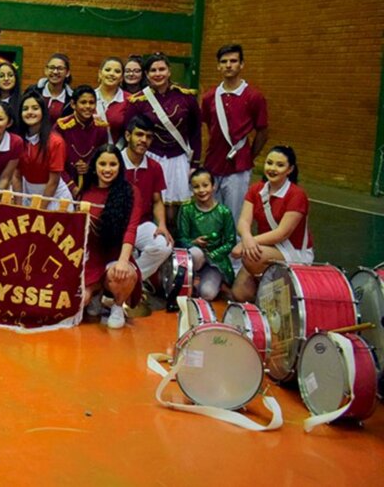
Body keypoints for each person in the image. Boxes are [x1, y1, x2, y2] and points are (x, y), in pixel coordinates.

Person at [125, 53, 201, 221]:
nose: (158, 73)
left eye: (162, 69)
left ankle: (175, 240)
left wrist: (195, 163)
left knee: (176, 209)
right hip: (151, 156)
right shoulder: (138, 101)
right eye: (153, 70)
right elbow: (129, 132)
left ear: (169, 71)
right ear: (146, 74)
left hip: (178, 157)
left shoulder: (186, 96)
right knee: (149, 201)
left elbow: (196, 132)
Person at [231, 146, 313, 301]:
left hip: (293, 251)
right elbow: (243, 221)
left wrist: (247, 244)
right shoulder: (256, 189)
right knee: (240, 294)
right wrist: (247, 238)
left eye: (280, 165)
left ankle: (271, 289)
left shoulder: (297, 195)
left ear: (290, 170)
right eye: (269, 163)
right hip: (266, 247)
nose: (272, 168)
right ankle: (266, 282)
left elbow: (281, 233)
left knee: (249, 257)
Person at [201, 44, 269, 220]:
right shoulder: (209, 97)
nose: (228, 65)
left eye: (233, 61)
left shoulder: (254, 97)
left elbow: (262, 131)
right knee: (211, 214)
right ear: (218, 66)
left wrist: (249, 156)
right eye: (224, 62)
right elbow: (208, 126)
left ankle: (235, 247)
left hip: (238, 168)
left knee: (234, 216)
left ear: (241, 64)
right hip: (213, 164)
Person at [78, 145, 143, 329]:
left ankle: (117, 306)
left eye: (113, 164)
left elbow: (131, 229)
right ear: (95, 166)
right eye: (103, 164)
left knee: (125, 275)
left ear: (120, 167)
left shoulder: (131, 192)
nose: (107, 169)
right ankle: (95, 291)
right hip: (91, 259)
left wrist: (123, 261)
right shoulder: (84, 191)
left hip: (115, 256)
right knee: (81, 302)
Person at [120, 116, 173, 282]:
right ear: (128, 136)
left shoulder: (155, 166)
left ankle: (130, 281)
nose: (144, 140)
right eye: (139, 135)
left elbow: (157, 200)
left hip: (141, 224)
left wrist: (162, 225)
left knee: (164, 246)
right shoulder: (113, 162)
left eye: (149, 137)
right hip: (115, 225)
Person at [176, 168, 236, 300]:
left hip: (215, 262)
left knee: (208, 294)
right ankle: (191, 280)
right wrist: (194, 242)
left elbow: (230, 241)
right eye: (196, 187)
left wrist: (213, 255)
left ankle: (212, 282)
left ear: (213, 186)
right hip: (195, 257)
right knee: (196, 254)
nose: (201, 190)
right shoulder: (187, 209)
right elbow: (180, 238)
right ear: (191, 189)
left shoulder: (223, 212)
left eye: (205, 185)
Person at [12, 91, 71, 208]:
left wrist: (38, 209)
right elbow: (16, 176)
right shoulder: (18, 140)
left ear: (43, 112)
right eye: (25, 109)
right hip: (27, 193)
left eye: (35, 108)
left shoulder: (56, 142)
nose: (30, 112)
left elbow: (53, 182)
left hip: (52, 197)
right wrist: (18, 206)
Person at [57, 86, 110, 196]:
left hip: (91, 181)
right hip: (62, 182)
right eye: (83, 102)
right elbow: (56, 161)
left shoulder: (101, 128)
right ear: (73, 104)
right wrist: (71, 186)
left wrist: (89, 167)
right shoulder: (61, 126)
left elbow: (103, 158)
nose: (88, 106)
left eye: (91, 103)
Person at [95, 57, 128, 146]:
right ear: (100, 74)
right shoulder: (88, 97)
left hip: (117, 153)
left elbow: (130, 131)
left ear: (121, 78)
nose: (112, 74)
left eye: (117, 71)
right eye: (108, 70)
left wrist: (117, 150)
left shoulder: (129, 100)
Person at [34, 53, 74, 125]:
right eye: (52, 68)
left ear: (67, 73)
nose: (55, 72)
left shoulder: (72, 99)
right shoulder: (33, 92)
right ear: (46, 70)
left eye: (60, 68)